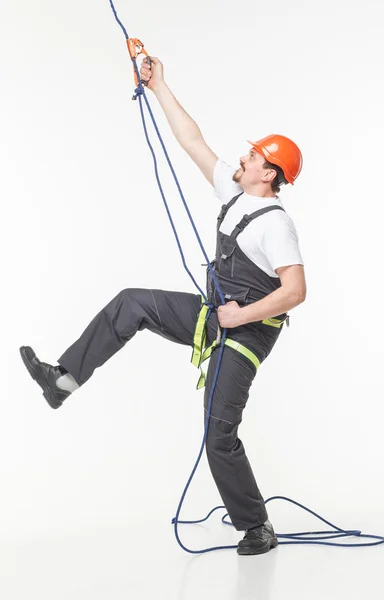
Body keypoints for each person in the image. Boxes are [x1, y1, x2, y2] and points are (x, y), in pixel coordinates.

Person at [19, 56, 307, 556]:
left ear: (270, 172)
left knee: (219, 431)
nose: (244, 158)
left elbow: (295, 291)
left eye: (255, 156)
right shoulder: (235, 193)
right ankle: (62, 380)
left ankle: (257, 526)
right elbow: (192, 140)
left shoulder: (275, 222)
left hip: (246, 332)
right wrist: (159, 86)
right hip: (214, 313)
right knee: (133, 304)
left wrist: (239, 316)